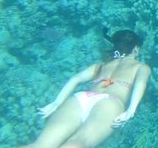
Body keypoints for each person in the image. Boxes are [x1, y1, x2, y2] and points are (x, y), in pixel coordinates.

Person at [22, 29, 151, 148]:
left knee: (40, 144)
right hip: (110, 103)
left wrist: (56, 103)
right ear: (135, 49)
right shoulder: (141, 67)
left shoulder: (101, 65)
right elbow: (140, 84)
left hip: (81, 98)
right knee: (78, 142)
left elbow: (75, 78)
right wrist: (130, 110)